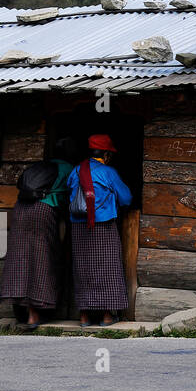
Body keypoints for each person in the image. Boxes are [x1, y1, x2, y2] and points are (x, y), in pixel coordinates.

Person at [0, 138, 75, 329]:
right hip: (43, 210)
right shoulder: (68, 169)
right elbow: (72, 197)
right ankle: (34, 315)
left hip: (20, 210)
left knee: (20, 258)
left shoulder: (40, 166)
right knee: (41, 259)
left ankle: (20, 312)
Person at [67, 134, 132, 328]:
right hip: (102, 226)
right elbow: (126, 198)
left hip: (79, 227)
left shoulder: (76, 170)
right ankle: (106, 316)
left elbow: (69, 193)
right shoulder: (108, 172)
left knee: (83, 269)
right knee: (107, 268)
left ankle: (84, 316)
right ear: (106, 154)